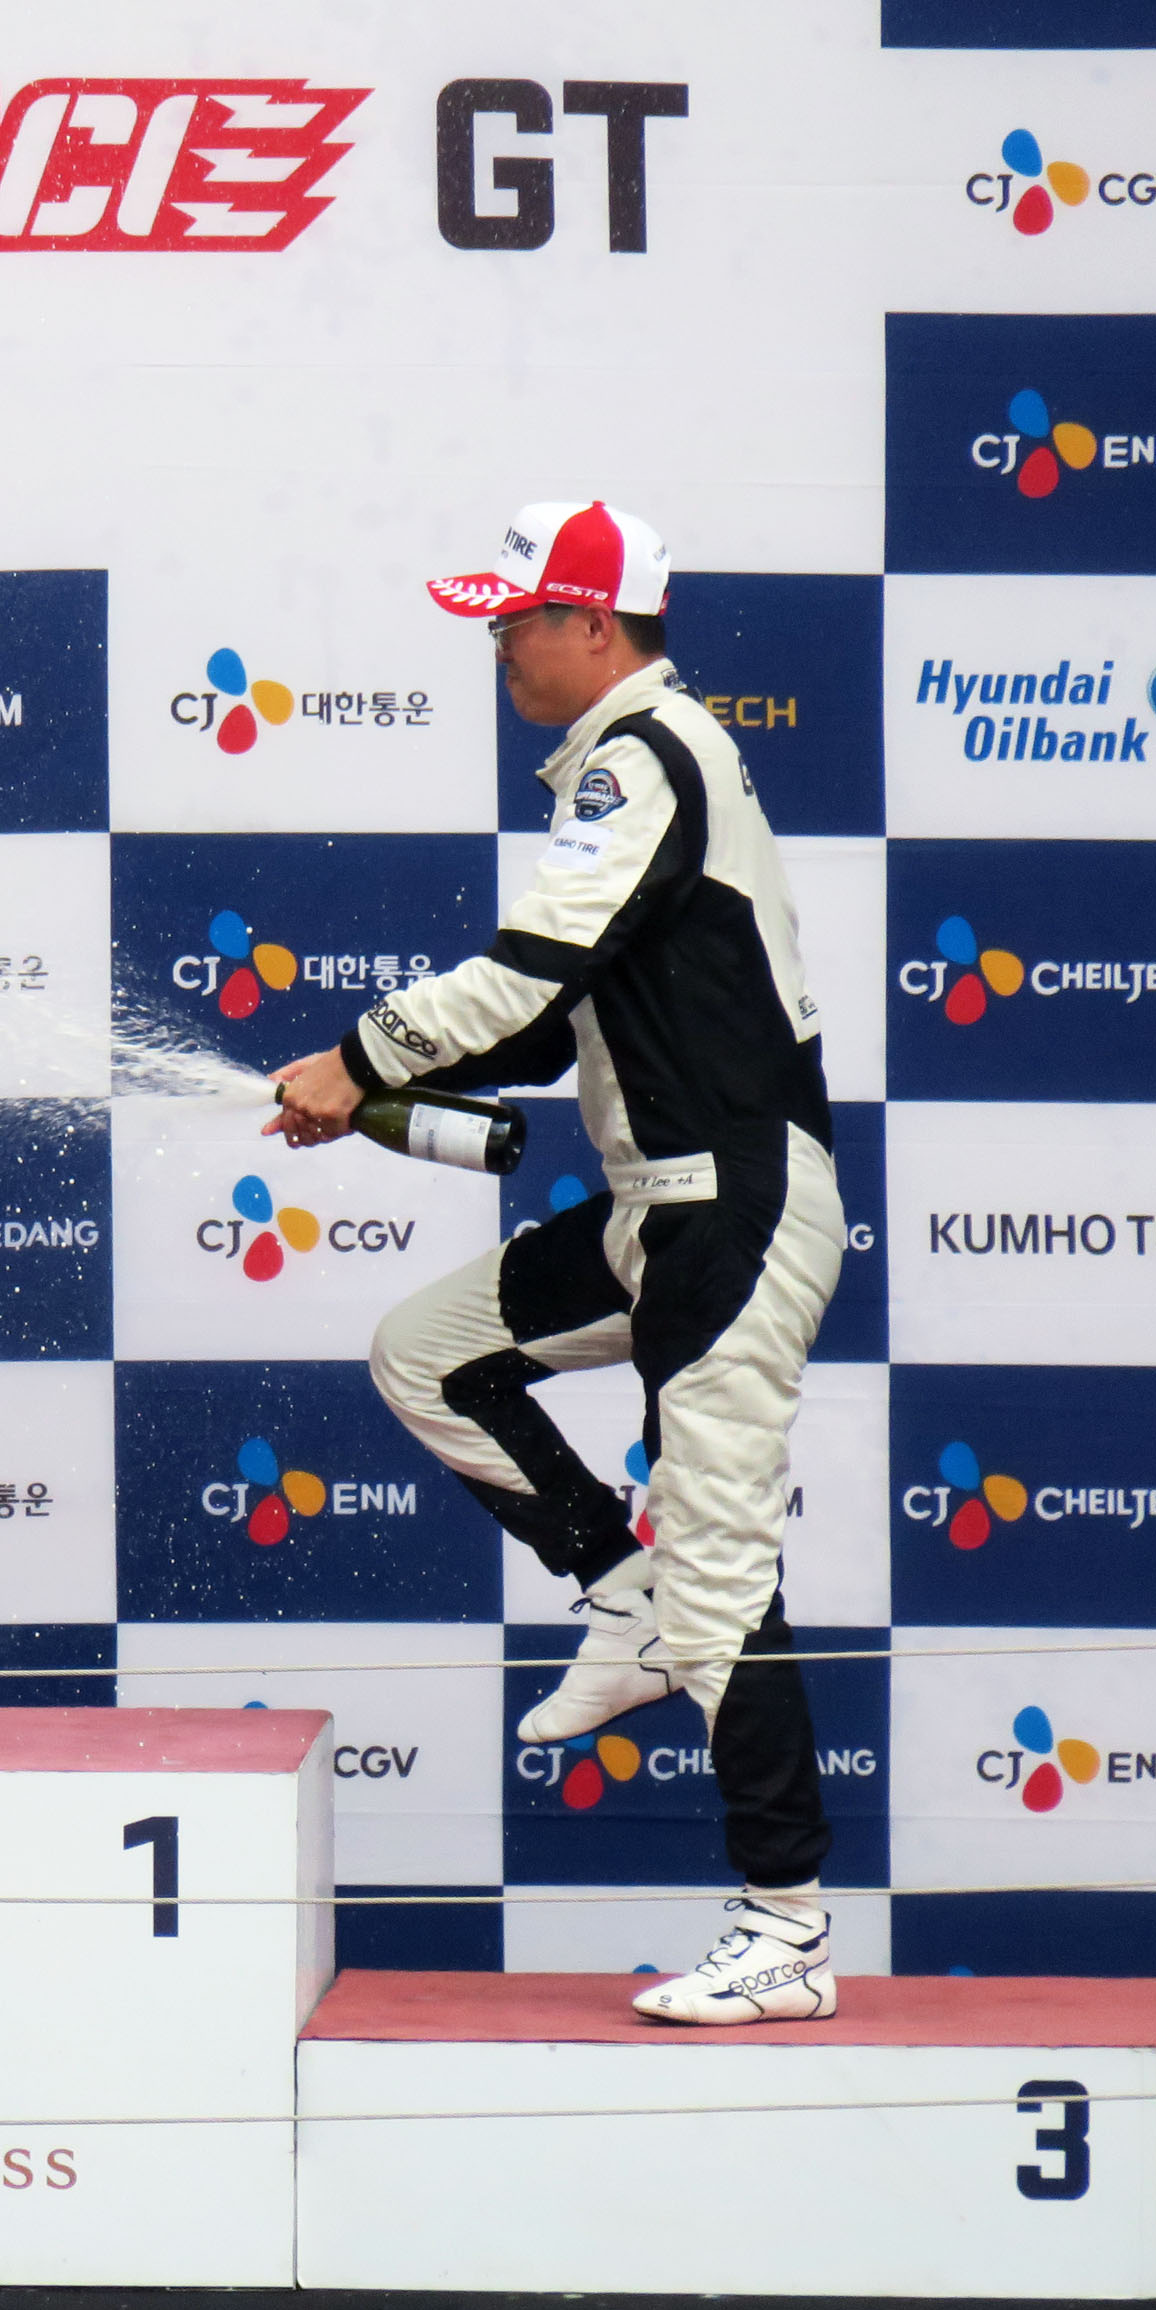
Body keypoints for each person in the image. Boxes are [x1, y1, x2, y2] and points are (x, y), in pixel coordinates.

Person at [267, 501, 846, 2024]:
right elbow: (544, 1025)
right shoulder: (637, 760)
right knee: (426, 1353)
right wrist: (372, 1092)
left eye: (516, 619)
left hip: (734, 1208)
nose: (498, 644)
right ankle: (618, 1587)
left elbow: (526, 970)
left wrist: (358, 1056)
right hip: (665, 1206)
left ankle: (786, 1932)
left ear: (595, 624)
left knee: (727, 1568)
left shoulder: (642, 754)